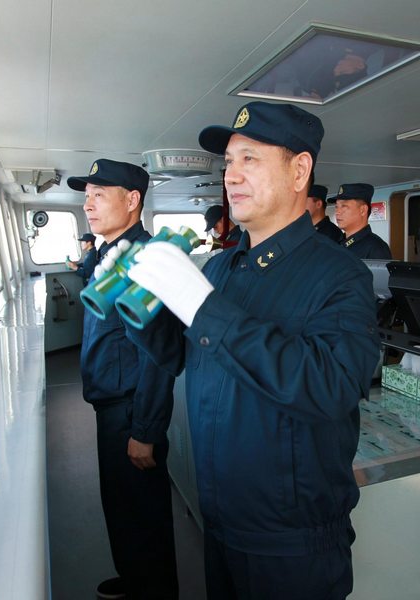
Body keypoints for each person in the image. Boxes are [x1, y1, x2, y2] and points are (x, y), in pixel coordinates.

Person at [123, 101, 381, 599]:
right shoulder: (222, 268)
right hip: (221, 519)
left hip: (291, 544)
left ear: (299, 171)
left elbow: (331, 386)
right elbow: (181, 356)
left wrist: (203, 307)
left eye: (250, 159)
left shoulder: (340, 274)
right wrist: (139, 308)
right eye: (228, 163)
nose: (231, 176)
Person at [67, 159, 179, 600]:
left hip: (132, 408)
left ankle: (154, 589)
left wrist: (145, 430)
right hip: (110, 402)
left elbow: (158, 355)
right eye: (86, 197)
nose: (88, 205)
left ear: (132, 201)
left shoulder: (145, 259)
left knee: (143, 513)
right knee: (121, 507)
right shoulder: (110, 254)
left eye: (99, 195)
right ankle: (133, 577)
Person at [330, 183, 392, 259]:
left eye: (344, 206)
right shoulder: (337, 243)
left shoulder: (376, 248)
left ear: (363, 210)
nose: (337, 212)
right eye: (336, 206)